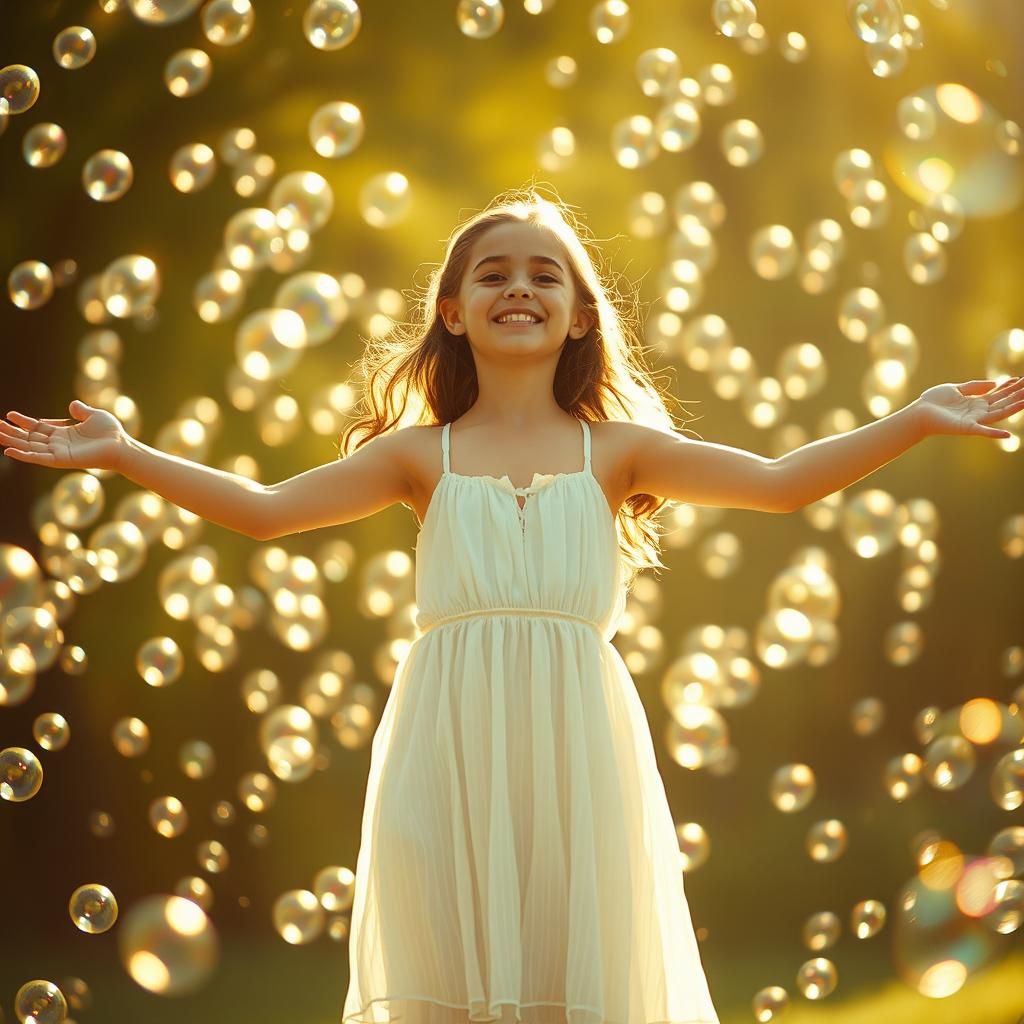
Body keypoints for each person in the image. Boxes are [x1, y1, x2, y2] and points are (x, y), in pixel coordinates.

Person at [1, 186, 1020, 1024]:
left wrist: (914, 419)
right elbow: (266, 511)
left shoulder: (614, 450)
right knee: (455, 977)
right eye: (492, 274)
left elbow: (780, 480)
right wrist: (127, 453)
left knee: (572, 979)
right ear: (452, 312)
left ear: (581, 313)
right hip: (447, 736)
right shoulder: (418, 453)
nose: (518, 288)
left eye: (545, 274)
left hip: (579, 740)